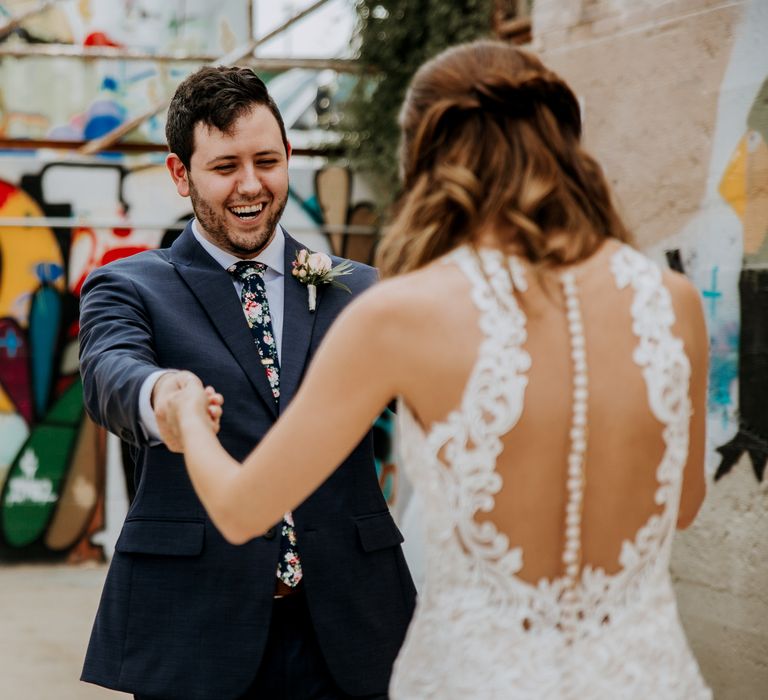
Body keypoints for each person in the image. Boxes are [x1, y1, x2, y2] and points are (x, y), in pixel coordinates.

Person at [166, 41, 712, 698]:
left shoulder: (399, 314)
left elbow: (238, 510)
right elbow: (682, 505)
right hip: (644, 676)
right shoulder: (673, 302)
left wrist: (189, 418)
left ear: (426, 156)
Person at [78, 66, 416, 700]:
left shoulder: (362, 289)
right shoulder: (128, 285)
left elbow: (434, 401)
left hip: (352, 625)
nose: (251, 185)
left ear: (289, 155)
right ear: (181, 175)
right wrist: (167, 397)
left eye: (266, 160)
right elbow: (110, 375)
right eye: (225, 166)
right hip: (195, 629)